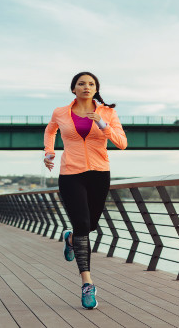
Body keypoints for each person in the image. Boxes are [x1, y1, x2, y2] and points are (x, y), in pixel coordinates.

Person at [43, 71, 127, 310]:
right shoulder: (60, 112)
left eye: (91, 84)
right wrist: (49, 151)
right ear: (74, 89)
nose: (86, 87)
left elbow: (122, 143)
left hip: (99, 174)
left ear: (95, 88)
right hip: (71, 174)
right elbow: (50, 131)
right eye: (81, 83)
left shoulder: (107, 113)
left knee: (89, 226)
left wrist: (102, 124)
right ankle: (87, 283)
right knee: (82, 226)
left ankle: (70, 238)